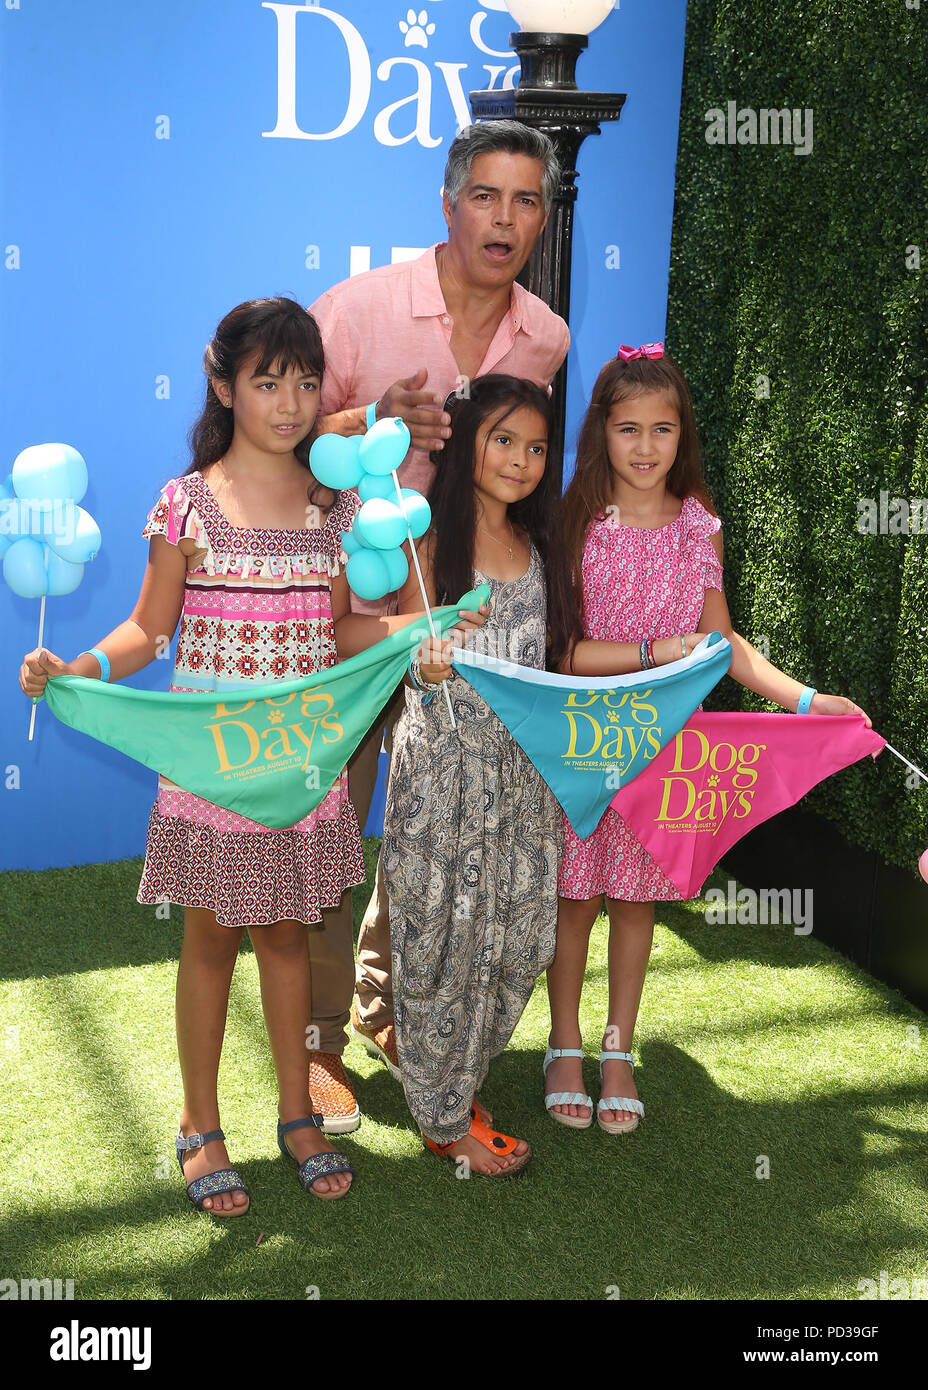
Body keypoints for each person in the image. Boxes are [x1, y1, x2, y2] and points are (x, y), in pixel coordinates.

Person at [18, 298, 468, 1214]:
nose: (292, 401)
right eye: (268, 381)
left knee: (287, 932)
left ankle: (297, 1115)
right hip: (213, 765)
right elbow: (150, 629)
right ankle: (200, 1123)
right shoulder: (183, 503)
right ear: (223, 385)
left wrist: (414, 630)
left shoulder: (335, 507)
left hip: (303, 765)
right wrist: (81, 667)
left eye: (307, 381)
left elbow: (343, 627)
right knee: (212, 939)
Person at [305, 120, 571, 1132]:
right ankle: (319, 1044)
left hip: (463, 631)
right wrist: (367, 417)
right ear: (447, 203)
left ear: (543, 217)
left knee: (437, 831)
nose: (505, 221)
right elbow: (274, 430)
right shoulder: (362, 307)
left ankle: (387, 1002)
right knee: (333, 826)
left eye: (526, 201)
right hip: (352, 620)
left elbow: (516, 471)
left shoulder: (542, 334)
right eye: (486, 198)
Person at [543, 346, 871, 1134]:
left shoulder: (698, 525)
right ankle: (563, 1042)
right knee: (576, 896)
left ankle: (616, 1049)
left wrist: (807, 701)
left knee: (634, 898)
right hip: (588, 741)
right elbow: (562, 654)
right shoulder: (576, 523)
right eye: (628, 429)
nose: (647, 447)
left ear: (682, 434)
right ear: (601, 432)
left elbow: (723, 647)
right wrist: (657, 653)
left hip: (665, 751)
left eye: (663, 428)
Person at [382, 374, 580, 1175]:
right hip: (444, 780)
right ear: (466, 444)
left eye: (537, 448)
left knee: (519, 941)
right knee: (442, 948)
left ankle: (455, 1080)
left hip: (525, 787)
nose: (522, 461)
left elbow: (556, 662)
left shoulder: (541, 548)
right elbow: (387, 652)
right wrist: (421, 665)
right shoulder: (426, 545)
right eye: (504, 440)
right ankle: (442, 1115)